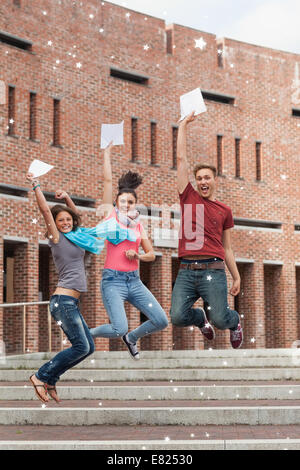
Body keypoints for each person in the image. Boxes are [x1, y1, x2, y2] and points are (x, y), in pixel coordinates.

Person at [170, 112, 243, 349]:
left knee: (221, 319)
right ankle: (200, 318)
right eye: (199, 177)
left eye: (207, 178)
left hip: (213, 270)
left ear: (214, 180)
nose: (203, 181)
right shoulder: (188, 197)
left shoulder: (224, 210)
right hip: (186, 270)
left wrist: (236, 275)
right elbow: (181, 160)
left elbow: (228, 247)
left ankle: (235, 323)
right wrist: (182, 126)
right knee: (177, 316)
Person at [90, 143, 168, 359]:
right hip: (113, 281)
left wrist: (139, 255)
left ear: (135, 204)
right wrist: (106, 152)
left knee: (161, 321)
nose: (126, 204)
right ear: (116, 202)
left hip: (134, 281)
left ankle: (132, 338)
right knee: (118, 328)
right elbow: (107, 181)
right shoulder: (110, 217)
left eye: (131, 202)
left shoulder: (138, 225)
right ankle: (86, 334)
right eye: (122, 201)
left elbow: (151, 254)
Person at [26, 174, 95, 403]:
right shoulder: (56, 238)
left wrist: (67, 198)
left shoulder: (77, 236)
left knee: (89, 347)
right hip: (62, 301)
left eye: (67, 220)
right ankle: (41, 375)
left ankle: (51, 379)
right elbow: (46, 211)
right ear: (54, 225)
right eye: (60, 221)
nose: (65, 223)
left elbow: (78, 218)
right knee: (80, 345)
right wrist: (37, 186)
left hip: (71, 302)